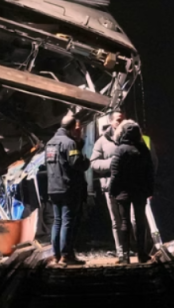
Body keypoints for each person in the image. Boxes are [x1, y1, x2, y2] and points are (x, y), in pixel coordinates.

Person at [46, 113, 90, 266]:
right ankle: (66, 255)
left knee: (57, 221)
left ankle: (56, 255)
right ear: (72, 128)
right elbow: (76, 163)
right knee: (67, 222)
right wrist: (86, 161)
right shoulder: (69, 143)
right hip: (67, 188)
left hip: (53, 188)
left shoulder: (50, 143)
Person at [109, 119, 154, 264]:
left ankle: (125, 256)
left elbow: (115, 173)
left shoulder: (120, 149)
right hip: (140, 191)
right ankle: (142, 254)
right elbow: (150, 171)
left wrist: (112, 189)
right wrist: (149, 189)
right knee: (140, 221)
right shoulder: (143, 149)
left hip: (123, 191)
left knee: (124, 222)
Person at [90, 109, 126, 259]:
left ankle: (135, 247)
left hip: (128, 185)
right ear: (111, 121)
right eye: (117, 119)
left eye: (122, 119)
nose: (120, 122)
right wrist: (112, 163)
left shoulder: (129, 137)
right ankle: (120, 250)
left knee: (132, 219)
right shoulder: (102, 141)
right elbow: (94, 163)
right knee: (116, 221)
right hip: (110, 186)